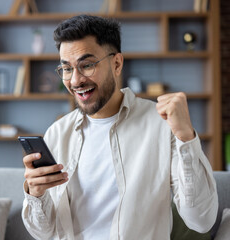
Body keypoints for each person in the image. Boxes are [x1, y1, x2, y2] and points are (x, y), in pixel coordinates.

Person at [21, 14, 218, 240]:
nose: (75, 81)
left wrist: (185, 137)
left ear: (116, 64)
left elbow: (202, 220)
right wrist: (35, 195)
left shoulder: (162, 126)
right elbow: (43, 233)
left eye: (86, 65)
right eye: (66, 68)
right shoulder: (57, 133)